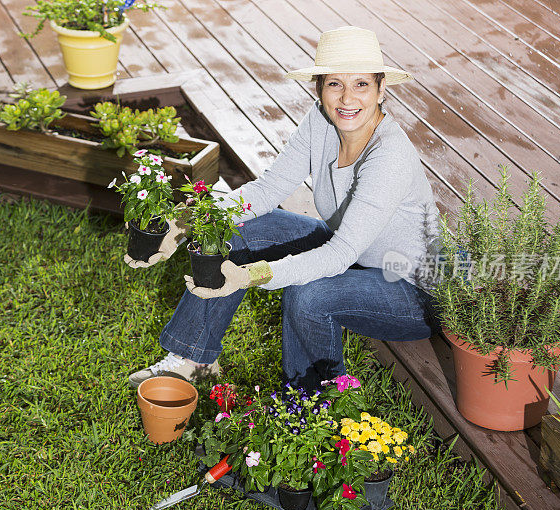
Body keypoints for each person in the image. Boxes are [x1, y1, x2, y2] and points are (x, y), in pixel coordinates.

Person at [126, 26, 442, 391]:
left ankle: (311, 402)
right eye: (334, 84)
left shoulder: (389, 156)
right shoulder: (322, 120)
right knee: (236, 229)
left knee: (309, 294)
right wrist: (182, 227)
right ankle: (193, 360)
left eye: (361, 85)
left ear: (381, 89)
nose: (347, 98)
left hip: (411, 286)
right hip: (356, 253)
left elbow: (339, 254)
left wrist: (251, 275)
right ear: (319, 88)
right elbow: (268, 189)